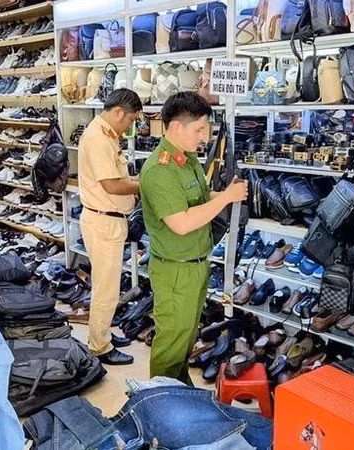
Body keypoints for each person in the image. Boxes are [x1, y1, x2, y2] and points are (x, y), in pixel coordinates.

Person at [139, 92, 248, 384]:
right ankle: (160, 401)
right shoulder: (159, 171)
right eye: (199, 130)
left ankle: (179, 388)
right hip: (175, 270)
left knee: (186, 337)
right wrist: (225, 198)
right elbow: (183, 223)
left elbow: (198, 199)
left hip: (195, 264)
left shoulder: (186, 160)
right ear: (176, 127)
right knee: (171, 341)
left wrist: (225, 196)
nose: (204, 137)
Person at [78, 88, 143, 366]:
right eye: (130, 120)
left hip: (106, 220)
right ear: (118, 112)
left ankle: (101, 332)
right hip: (103, 221)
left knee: (108, 286)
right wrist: (146, 181)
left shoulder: (104, 134)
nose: (130, 126)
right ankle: (100, 346)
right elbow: (112, 184)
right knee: (106, 289)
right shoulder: (98, 139)